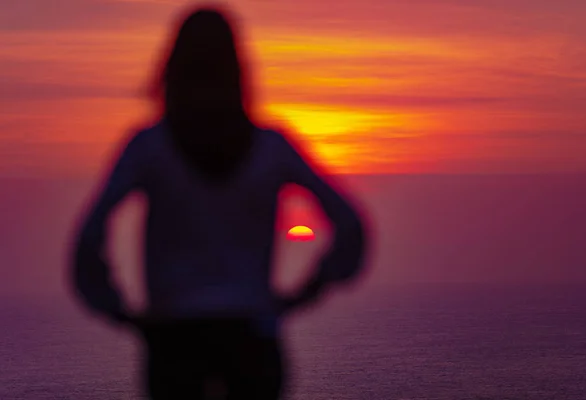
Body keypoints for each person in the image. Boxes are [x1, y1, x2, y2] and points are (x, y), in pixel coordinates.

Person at [70, 6, 366, 400]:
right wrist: (306, 292)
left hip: (174, 344)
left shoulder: (149, 147)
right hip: (253, 339)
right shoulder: (271, 148)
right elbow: (351, 228)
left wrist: (120, 311)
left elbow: (87, 242)